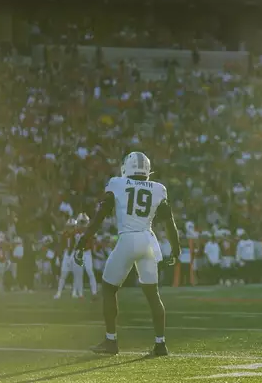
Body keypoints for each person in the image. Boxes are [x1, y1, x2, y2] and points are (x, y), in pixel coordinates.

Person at [74, 152, 181, 357]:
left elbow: (99, 217)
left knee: (108, 289)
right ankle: (160, 344)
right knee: (153, 294)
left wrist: (81, 242)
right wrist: (176, 251)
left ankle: (111, 340)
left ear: (126, 168)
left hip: (127, 239)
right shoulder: (159, 189)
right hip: (148, 241)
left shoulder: (117, 184)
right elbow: (170, 223)